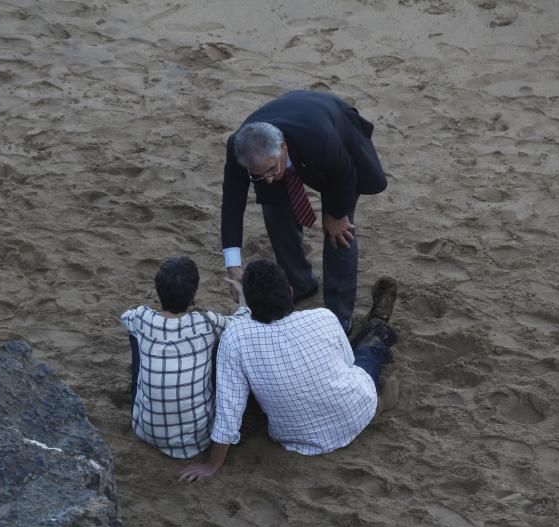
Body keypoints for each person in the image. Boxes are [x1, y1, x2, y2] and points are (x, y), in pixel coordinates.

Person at [178, 259, 398, 482]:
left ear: (250, 306)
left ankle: (378, 345)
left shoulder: (235, 338)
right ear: (290, 292)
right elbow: (348, 363)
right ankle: (379, 326)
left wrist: (212, 464)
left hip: (298, 439)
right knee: (366, 354)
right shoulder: (323, 317)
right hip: (356, 408)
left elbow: (229, 412)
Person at [220, 90, 388, 335]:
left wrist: (337, 214)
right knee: (275, 213)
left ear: (283, 148)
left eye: (270, 170)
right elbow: (232, 205)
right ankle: (300, 284)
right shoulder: (239, 150)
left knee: (340, 233)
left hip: (334, 145)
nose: (266, 180)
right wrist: (233, 265)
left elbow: (346, 172)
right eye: (257, 174)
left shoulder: (320, 139)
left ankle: (338, 317)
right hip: (297, 138)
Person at [121, 256, 250, 459]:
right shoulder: (206, 322)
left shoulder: (141, 317)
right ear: (193, 294)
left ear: (158, 291)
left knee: (135, 334)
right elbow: (242, 321)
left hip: (144, 430)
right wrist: (242, 294)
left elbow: (125, 317)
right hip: (197, 440)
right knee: (221, 340)